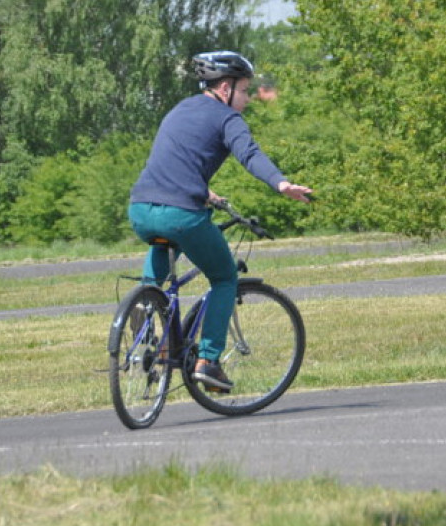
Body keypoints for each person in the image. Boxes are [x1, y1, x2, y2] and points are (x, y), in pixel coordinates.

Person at [128, 51, 312, 391]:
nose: (246, 99)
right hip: (180, 213)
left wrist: (205, 191)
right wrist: (280, 183)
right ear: (225, 87)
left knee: (162, 261)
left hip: (140, 208)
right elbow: (250, 155)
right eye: (243, 91)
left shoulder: (179, 109)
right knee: (225, 276)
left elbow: (176, 159)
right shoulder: (229, 120)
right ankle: (209, 361)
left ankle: (145, 302)